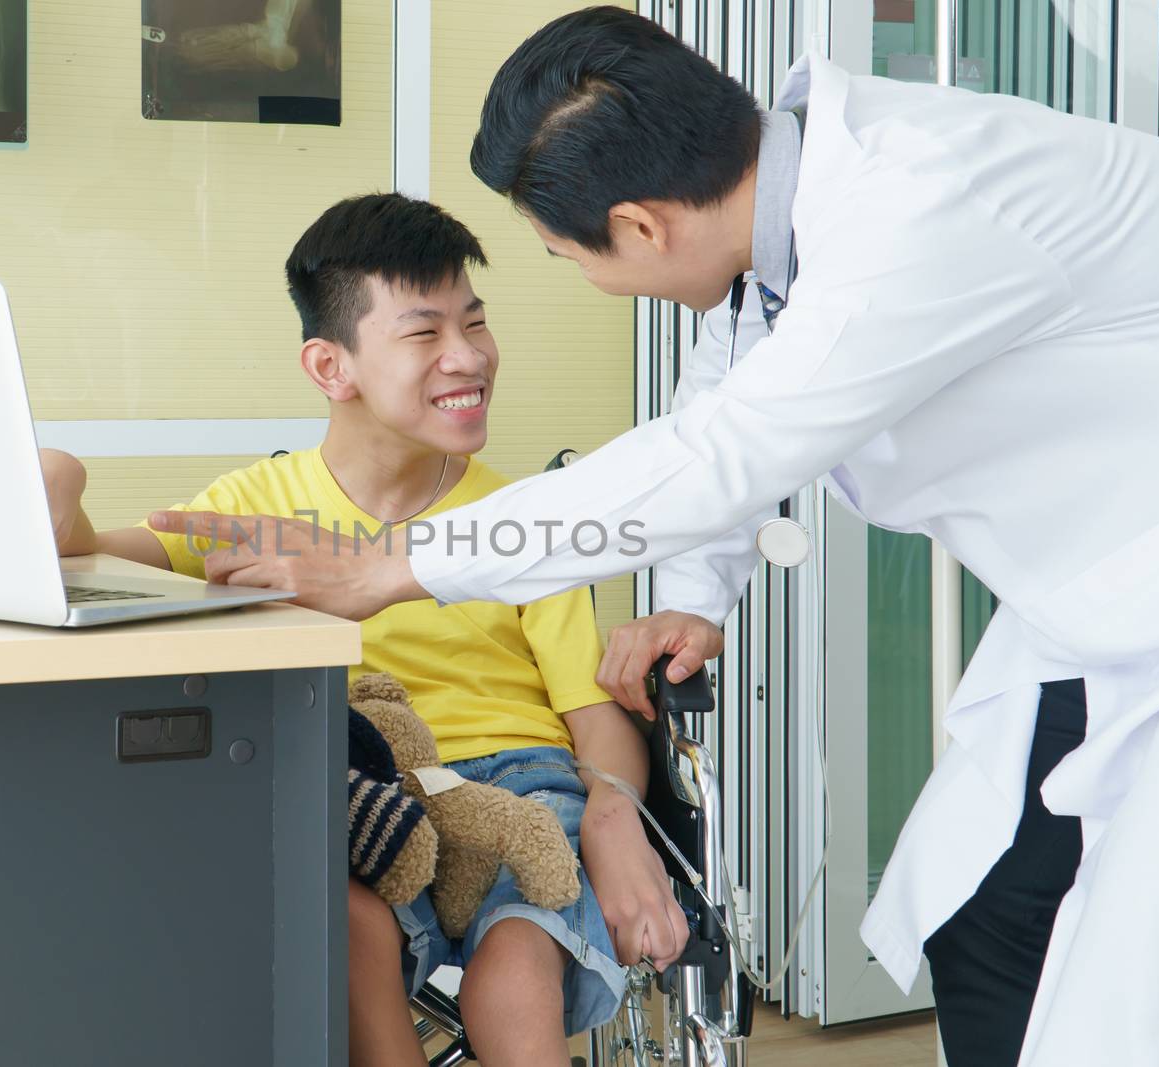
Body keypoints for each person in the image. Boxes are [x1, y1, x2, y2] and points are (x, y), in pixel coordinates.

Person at [150, 8, 1159, 1065]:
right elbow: (719, 412)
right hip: (1120, 604)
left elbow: (726, 454)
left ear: (644, 226)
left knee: (1128, 984)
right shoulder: (783, 231)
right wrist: (695, 598)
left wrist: (396, 563)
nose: (580, 283)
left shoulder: (917, 212)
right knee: (986, 916)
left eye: (570, 258)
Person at [42, 191, 689, 1067]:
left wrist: (615, 811)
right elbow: (97, 559)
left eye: (476, 322)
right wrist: (56, 495)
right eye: (424, 334)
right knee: (346, 923)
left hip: (521, 780)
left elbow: (592, 711)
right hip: (356, 787)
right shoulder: (253, 508)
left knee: (520, 946)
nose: (467, 356)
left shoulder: (518, 519)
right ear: (330, 366)